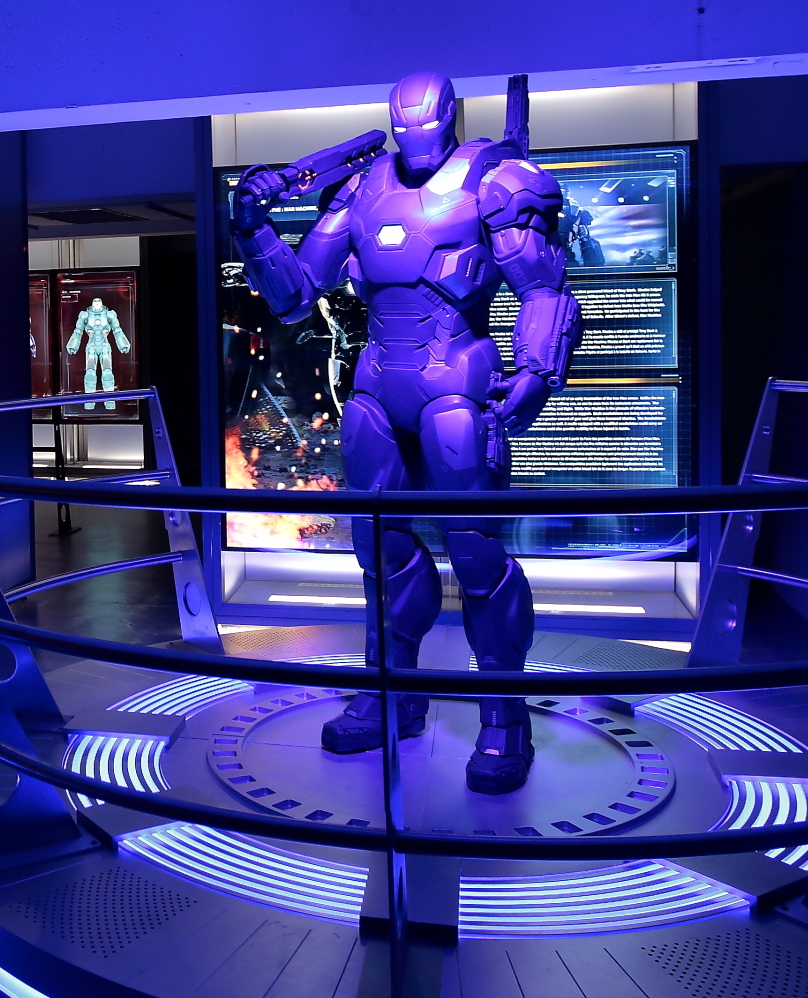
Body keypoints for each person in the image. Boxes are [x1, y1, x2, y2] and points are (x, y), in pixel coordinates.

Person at [228, 73, 580, 793]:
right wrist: (254, 226)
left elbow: (543, 288)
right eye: (404, 127)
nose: (416, 139)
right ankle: (391, 697)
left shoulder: (495, 179)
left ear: (450, 118)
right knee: (380, 553)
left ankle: (504, 719)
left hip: (459, 381)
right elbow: (295, 296)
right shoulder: (361, 189)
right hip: (377, 386)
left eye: (427, 125)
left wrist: (537, 369)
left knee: (477, 555)